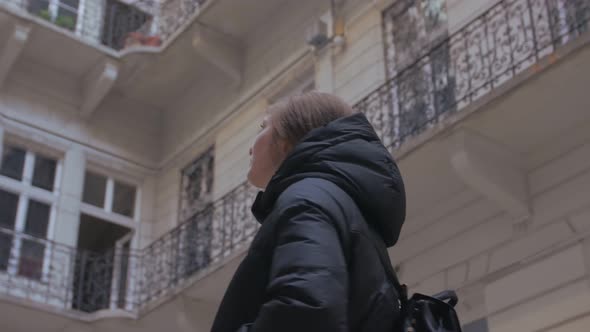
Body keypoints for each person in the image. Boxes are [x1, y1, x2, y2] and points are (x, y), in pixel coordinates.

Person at [210, 92, 406, 332]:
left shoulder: (306, 199)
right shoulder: (339, 206)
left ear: (286, 143)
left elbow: (306, 310)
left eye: (263, 127)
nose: (250, 148)